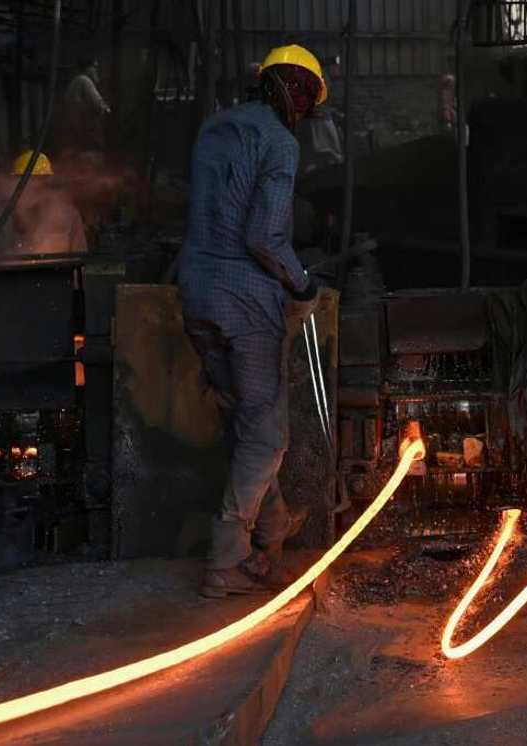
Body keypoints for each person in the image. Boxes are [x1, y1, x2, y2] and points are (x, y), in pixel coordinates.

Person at [178, 45, 328, 598]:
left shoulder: (216, 128)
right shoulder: (280, 142)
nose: (306, 114)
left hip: (195, 290)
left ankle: (270, 528)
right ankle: (226, 560)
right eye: (308, 101)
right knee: (267, 435)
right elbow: (264, 236)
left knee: (242, 420)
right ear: (298, 92)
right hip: (245, 300)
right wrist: (304, 283)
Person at [0, 150, 88, 259]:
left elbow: (81, 262)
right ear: (15, 184)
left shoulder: (67, 216)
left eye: (40, 181)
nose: (34, 187)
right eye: (28, 181)